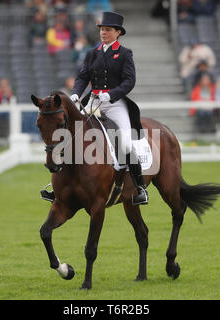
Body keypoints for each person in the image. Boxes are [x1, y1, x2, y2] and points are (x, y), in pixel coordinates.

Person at [42, 11, 148, 206]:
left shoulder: (125, 54)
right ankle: (56, 186)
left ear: (118, 33)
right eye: (101, 29)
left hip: (115, 104)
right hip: (92, 101)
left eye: (108, 30)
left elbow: (129, 81)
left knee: (124, 141)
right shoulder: (92, 53)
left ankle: (140, 187)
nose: (103, 33)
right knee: (70, 135)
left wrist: (112, 94)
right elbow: (83, 77)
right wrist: (75, 93)